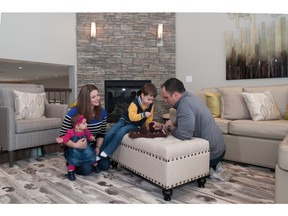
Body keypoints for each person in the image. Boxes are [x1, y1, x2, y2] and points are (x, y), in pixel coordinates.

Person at [153, 78, 231, 181]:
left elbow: (184, 135)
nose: (164, 100)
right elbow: (186, 122)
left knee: (181, 164)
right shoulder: (191, 97)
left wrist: (169, 127)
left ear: (176, 95)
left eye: (166, 97)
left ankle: (209, 172)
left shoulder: (184, 105)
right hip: (220, 150)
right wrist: (164, 125)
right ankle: (217, 166)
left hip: (211, 154)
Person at [97, 83, 157, 161]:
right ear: (142, 95)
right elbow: (132, 117)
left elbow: (149, 118)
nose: (150, 102)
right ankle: (100, 152)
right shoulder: (134, 103)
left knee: (121, 131)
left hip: (135, 125)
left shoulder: (151, 106)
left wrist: (148, 126)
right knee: (111, 132)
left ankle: (107, 152)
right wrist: (143, 115)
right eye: (148, 99)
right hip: (125, 120)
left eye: (152, 100)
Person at [58, 84, 109, 176]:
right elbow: (62, 135)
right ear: (86, 99)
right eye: (93, 97)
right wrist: (75, 145)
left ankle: (87, 161)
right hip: (74, 149)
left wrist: (97, 147)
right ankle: (71, 162)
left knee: (105, 165)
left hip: (91, 146)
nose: (97, 98)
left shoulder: (103, 112)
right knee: (86, 170)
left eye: (98, 95)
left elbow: (101, 133)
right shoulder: (73, 113)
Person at [56, 114, 98, 181]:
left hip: (85, 149)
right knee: (73, 160)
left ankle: (95, 166)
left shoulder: (85, 130)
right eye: (84, 123)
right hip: (75, 150)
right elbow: (66, 138)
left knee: (91, 155)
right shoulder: (71, 132)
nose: (86, 124)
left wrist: (91, 137)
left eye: (86, 122)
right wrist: (61, 139)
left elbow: (89, 135)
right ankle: (71, 172)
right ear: (77, 126)